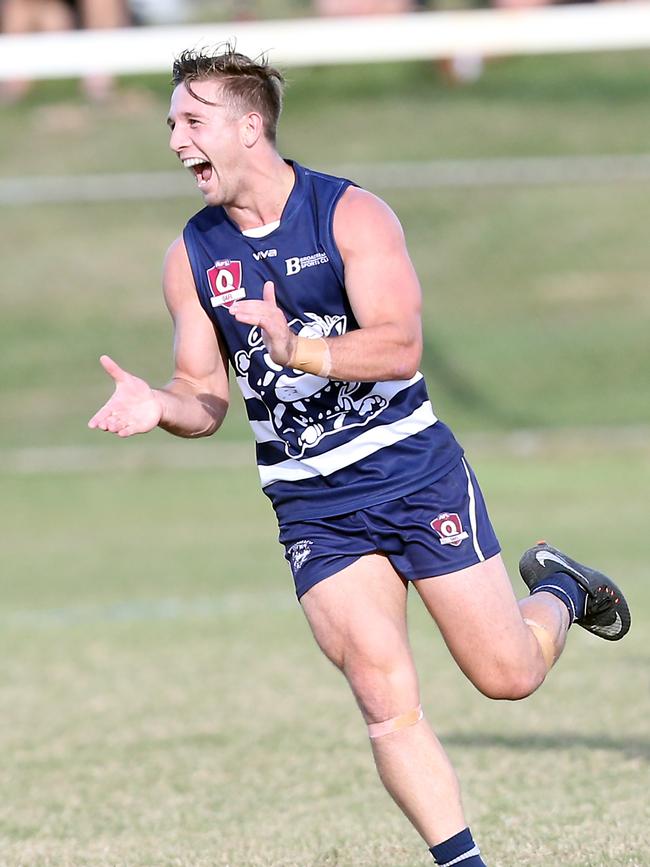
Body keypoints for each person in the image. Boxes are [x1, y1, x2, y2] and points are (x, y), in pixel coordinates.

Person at [88, 46, 631, 866]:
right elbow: (202, 395)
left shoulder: (351, 216)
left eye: (191, 122)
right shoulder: (191, 257)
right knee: (384, 695)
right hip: (312, 503)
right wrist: (159, 405)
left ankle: (558, 586)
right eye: (171, 124)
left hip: (412, 473)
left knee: (507, 675)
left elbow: (401, 345)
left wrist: (300, 349)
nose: (174, 141)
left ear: (249, 127)